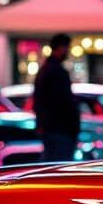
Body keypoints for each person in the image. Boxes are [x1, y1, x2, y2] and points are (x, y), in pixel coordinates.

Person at [33, 33, 80, 162]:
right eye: (67, 48)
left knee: (50, 164)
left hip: (52, 128)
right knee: (59, 166)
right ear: (60, 48)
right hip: (60, 129)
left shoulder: (46, 70)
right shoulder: (56, 72)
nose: (68, 51)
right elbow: (63, 102)